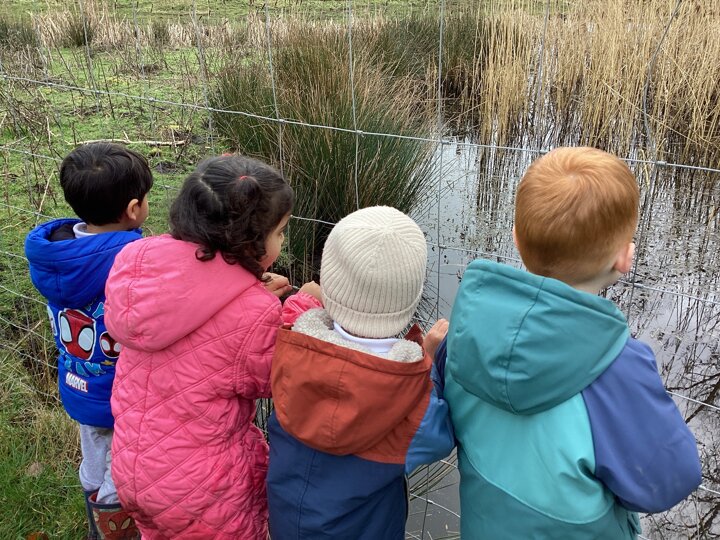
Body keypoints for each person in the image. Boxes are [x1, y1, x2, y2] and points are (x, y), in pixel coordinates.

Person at [440, 147, 702, 539]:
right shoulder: (618, 371)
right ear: (625, 258)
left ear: (516, 239)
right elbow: (667, 481)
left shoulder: (466, 334)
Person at [103, 154, 321, 539]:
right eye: (280, 231)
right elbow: (280, 374)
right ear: (251, 242)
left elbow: (196, 295)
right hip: (203, 490)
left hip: (133, 469)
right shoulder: (252, 314)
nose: (283, 240)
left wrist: (246, 289)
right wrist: (303, 306)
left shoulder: (137, 262)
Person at [267, 205, 455, 540]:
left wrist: (308, 302)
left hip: (285, 526)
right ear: (411, 298)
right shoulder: (413, 408)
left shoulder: (288, 352)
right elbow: (440, 437)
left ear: (328, 284)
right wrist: (426, 360)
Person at [24, 142, 153, 539]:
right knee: (123, 470)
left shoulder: (59, 253)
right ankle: (113, 529)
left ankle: (95, 519)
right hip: (123, 393)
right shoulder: (135, 258)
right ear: (134, 209)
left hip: (76, 381)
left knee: (95, 456)